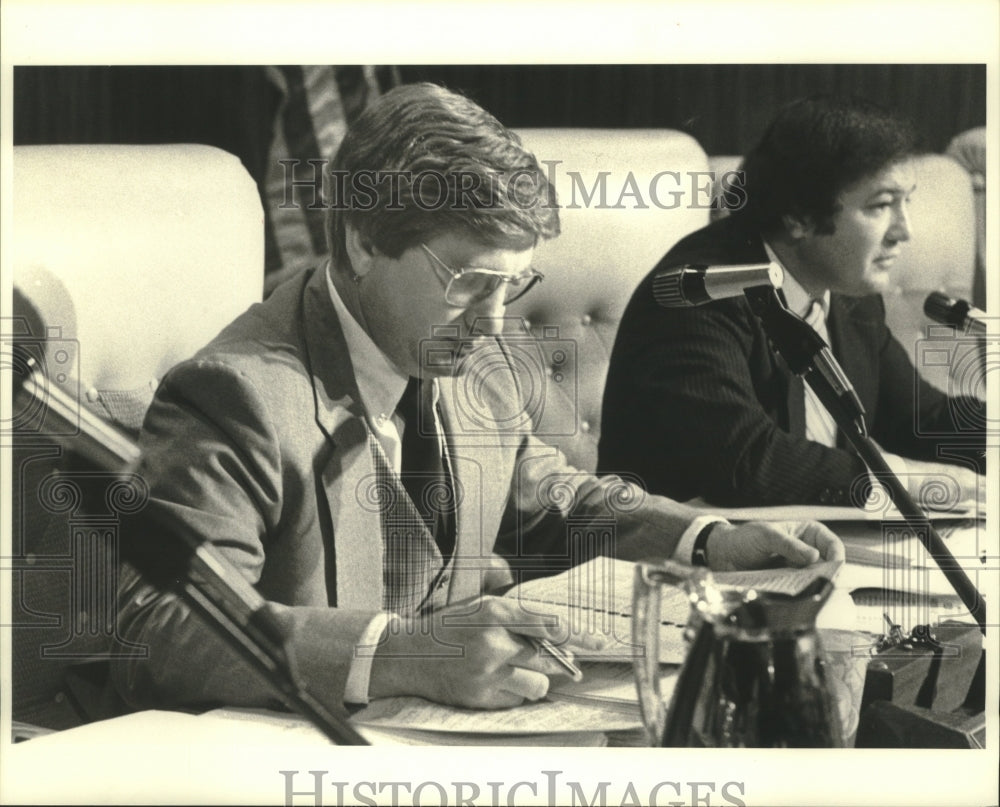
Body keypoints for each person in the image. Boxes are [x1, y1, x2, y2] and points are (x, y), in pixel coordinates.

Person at [112, 83, 842, 716]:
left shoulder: (466, 353)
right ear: (365, 242)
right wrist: (401, 653)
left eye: (512, 285)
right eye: (468, 281)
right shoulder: (238, 393)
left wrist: (709, 540)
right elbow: (162, 625)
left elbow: (551, 495)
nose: (493, 321)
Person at [598, 95, 985, 509]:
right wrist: (924, 482)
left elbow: (921, 420)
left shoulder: (850, 296)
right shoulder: (696, 293)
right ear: (798, 215)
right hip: (680, 561)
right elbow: (748, 462)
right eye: (881, 205)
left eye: (906, 201)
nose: (903, 232)